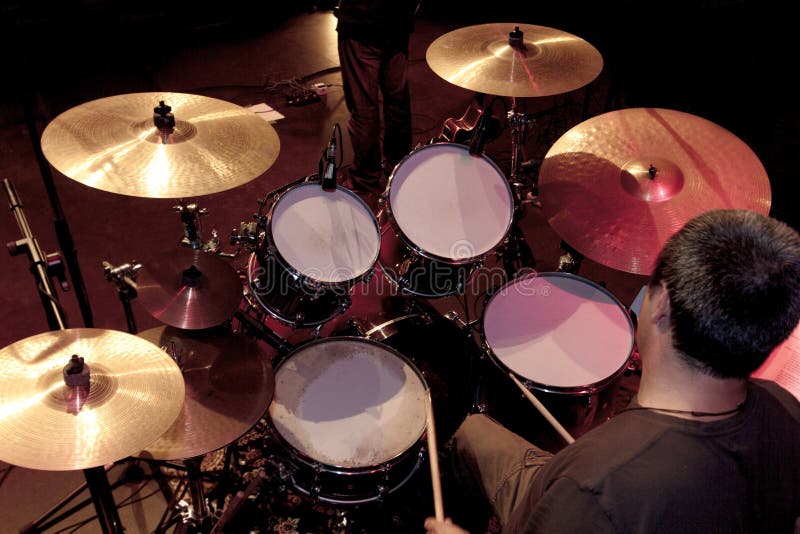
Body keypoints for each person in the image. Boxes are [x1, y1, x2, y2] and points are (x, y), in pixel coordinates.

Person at [424, 209, 800, 533]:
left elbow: (595, 494)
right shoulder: (785, 409)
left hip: (578, 501)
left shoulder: (595, 489)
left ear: (662, 304)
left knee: (470, 430)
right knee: (478, 434)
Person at [334, 0, 418, 198]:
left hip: (361, 22)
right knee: (397, 101)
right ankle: (399, 165)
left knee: (363, 106)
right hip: (398, 21)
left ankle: (365, 178)